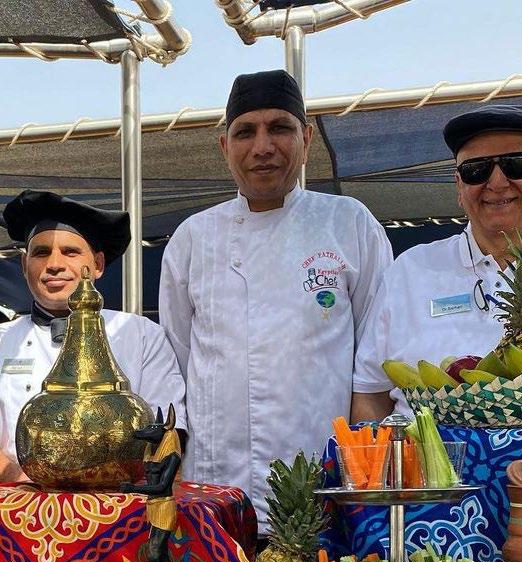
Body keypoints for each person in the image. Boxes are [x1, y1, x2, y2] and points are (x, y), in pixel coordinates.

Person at [159, 69, 393, 533]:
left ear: (306, 138)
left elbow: (376, 360)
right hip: (214, 490)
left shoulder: (349, 224)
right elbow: (178, 363)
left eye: (279, 128)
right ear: (225, 146)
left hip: (323, 486)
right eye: (245, 132)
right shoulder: (193, 238)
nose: (262, 146)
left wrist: (364, 482)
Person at [351, 104, 522, 421]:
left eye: (518, 164)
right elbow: (370, 394)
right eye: (476, 170)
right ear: (459, 185)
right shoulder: (409, 272)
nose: (496, 182)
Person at [0, 190, 187, 482]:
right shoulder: (2, 339)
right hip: (18, 499)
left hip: (119, 500)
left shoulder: (141, 335)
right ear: (24, 266)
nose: (54, 264)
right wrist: (24, 482)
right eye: (41, 252)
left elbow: (167, 431)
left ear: (98, 264)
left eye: (70, 252)